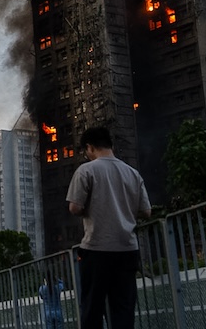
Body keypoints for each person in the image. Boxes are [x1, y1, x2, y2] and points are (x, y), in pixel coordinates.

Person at [66, 126, 151, 329]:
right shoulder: (132, 173)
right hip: (127, 249)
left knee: (92, 308)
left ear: (90, 147)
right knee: (123, 308)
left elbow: (75, 207)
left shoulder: (86, 170)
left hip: (97, 248)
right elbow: (146, 211)